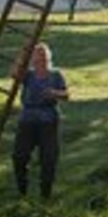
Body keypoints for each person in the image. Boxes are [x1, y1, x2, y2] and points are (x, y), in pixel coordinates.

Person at [12, 42, 69, 199]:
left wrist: (54, 93)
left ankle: (46, 193)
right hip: (27, 120)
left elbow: (66, 95)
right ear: (32, 58)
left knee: (48, 157)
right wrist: (22, 55)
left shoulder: (56, 74)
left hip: (48, 120)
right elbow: (15, 75)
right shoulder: (28, 74)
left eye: (44, 54)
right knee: (19, 156)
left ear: (49, 56)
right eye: (38, 54)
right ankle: (22, 190)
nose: (41, 57)